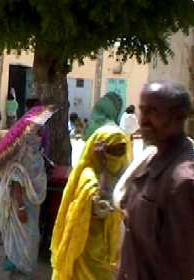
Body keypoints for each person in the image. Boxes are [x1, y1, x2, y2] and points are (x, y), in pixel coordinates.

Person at [115, 81, 194, 280]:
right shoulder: (151, 160)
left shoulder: (183, 182)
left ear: (179, 117)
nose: (144, 121)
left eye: (154, 112)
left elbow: (178, 266)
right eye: (143, 111)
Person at [51, 124, 131, 280]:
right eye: (112, 150)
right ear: (99, 151)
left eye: (121, 149)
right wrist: (103, 170)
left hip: (116, 248)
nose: (118, 155)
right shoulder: (88, 176)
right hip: (89, 250)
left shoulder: (126, 174)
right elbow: (101, 208)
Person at [0, 105, 54, 277]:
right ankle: (16, 268)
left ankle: (20, 267)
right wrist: (20, 208)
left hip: (32, 205)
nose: (40, 134)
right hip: (21, 206)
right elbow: (16, 180)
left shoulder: (36, 153)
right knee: (25, 237)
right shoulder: (22, 154)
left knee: (31, 237)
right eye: (36, 130)